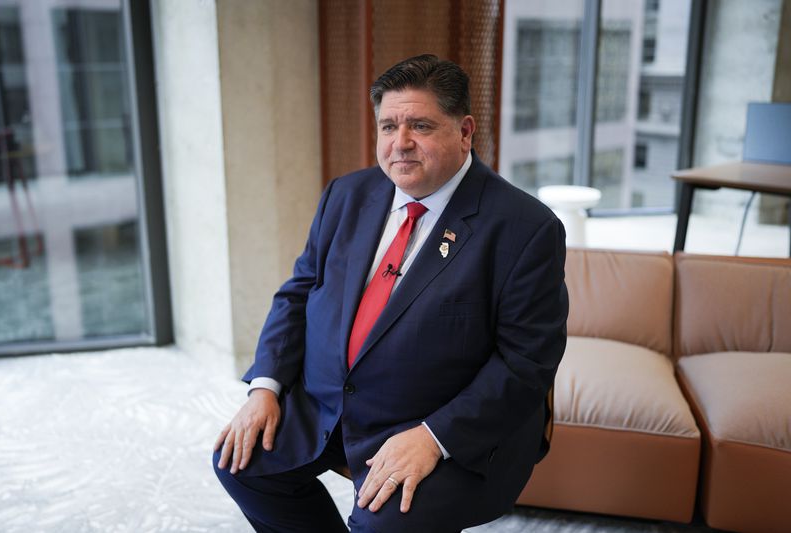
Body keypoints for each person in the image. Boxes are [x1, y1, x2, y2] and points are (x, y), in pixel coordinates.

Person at [213, 54, 568, 533]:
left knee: (384, 523)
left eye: (420, 125)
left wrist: (433, 436)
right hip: (328, 405)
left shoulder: (526, 228)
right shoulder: (346, 195)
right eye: (388, 127)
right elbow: (298, 293)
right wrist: (266, 387)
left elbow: (527, 362)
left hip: (440, 427)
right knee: (240, 460)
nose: (400, 144)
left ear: (465, 132)